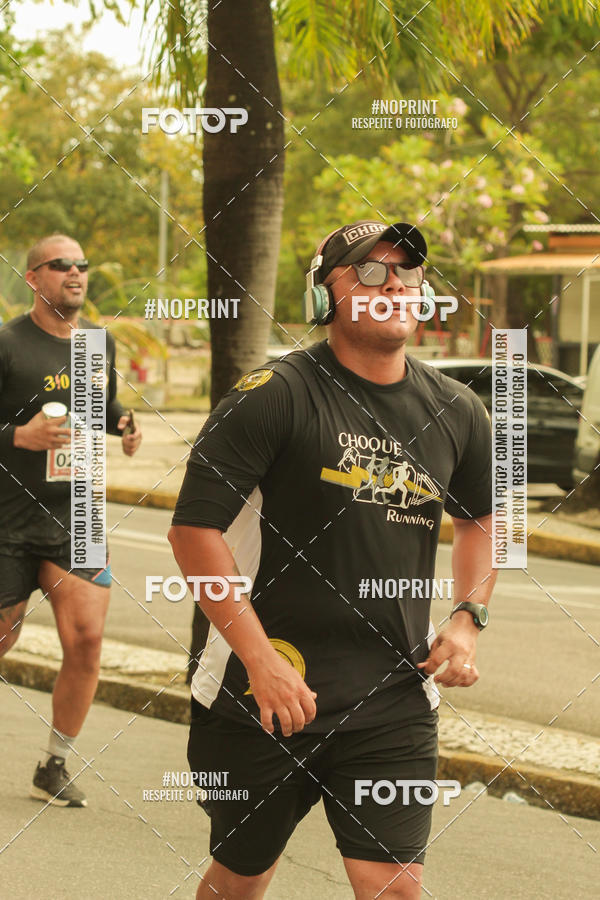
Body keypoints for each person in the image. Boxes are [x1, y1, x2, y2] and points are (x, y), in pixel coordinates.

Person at [169, 219, 496, 899]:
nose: (394, 285)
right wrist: (261, 662)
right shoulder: (274, 396)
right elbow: (193, 534)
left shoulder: (457, 411)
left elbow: (484, 522)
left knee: (396, 887)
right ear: (327, 297)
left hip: (393, 697)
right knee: (241, 880)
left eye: (407, 271)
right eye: (369, 272)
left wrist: (468, 617)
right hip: (264, 691)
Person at [0, 233, 142, 807]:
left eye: (81, 265)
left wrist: (124, 422)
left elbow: (98, 408)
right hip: (7, 518)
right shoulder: (8, 343)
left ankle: (54, 763)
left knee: (86, 640)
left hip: (76, 515)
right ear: (34, 278)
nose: (75, 273)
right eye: (61, 265)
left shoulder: (94, 345)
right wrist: (18, 436)